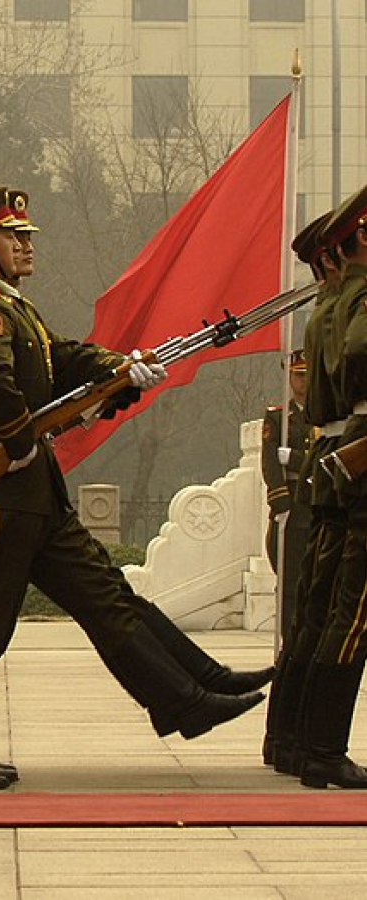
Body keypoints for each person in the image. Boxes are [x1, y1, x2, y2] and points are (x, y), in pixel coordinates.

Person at [0, 187, 264, 790]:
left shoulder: (16, 310)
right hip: (0, 484)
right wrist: (22, 443)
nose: (26, 245)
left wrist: (118, 370)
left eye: (26, 236)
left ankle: (191, 692)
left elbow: (63, 361)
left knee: (103, 594)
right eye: (11, 237)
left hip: (28, 491)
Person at [263, 211, 346, 778]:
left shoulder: (328, 312)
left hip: (331, 472)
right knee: (346, 617)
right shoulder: (349, 310)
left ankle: (291, 739)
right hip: (349, 470)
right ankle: (320, 750)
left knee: (318, 615)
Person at [297, 185, 367, 789]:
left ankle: (302, 742)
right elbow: (360, 350)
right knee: (353, 610)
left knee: (331, 607)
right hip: (357, 444)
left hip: (341, 446)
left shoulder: (334, 302)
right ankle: (321, 747)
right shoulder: (357, 299)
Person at [260, 349, 313, 645]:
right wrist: (280, 502)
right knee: (290, 582)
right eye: (297, 376)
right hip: (292, 505)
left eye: (307, 375)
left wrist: (294, 458)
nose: (302, 382)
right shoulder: (278, 417)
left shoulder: (326, 415)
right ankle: (290, 641)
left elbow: (325, 460)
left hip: (317, 502)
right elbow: (269, 462)